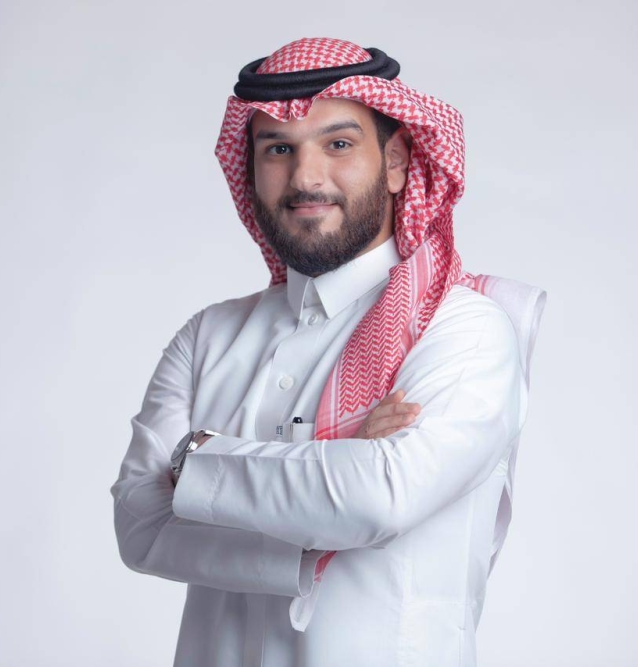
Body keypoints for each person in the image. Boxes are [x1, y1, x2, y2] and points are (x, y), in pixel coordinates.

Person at [111, 37, 547, 667]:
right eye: (278, 149)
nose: (305, 177)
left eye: (338, 144)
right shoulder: (207, 336)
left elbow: (379, 499)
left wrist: (194, 459)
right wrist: (334, 470)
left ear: (396, 163)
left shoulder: (464, 328)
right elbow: (140, 528)